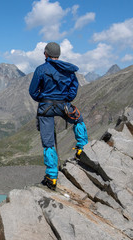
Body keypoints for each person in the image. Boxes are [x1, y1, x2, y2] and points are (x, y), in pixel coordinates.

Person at [29, 42, 88, 190]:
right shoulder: (68, 70)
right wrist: (66, 100)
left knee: (48, 142)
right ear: (59, 54)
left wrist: (43, 99)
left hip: (46, 107)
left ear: (46, 54)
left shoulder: (41, 69)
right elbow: (74, 89)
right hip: (64, 105)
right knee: (78, 120)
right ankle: (81, 148)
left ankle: (51, 177)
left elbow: (33, 91)